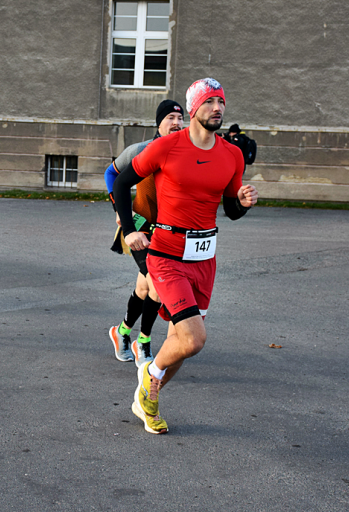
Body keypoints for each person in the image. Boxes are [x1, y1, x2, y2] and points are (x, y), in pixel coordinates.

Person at [113, 78, 258, 434]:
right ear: (194, 109)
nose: (217, 109)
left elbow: (229, 209)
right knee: (195, 339)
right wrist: (130, 228)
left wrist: (242, 203)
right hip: (166, 253)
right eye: (210, 102)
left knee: (182, 342)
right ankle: (149, 379)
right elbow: (119, 181)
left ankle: (146, 398)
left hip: (204, 258)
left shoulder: (232, 154)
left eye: (221, 102)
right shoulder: (167, 147)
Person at [104, 100, 185, 367]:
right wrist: (119, 208)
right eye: (170, 117)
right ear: (159, 123)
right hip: (139, 226)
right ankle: (144, 342)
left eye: (180, 117)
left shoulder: (185, 152)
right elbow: (111, 173)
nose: (176, 122)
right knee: (157, 284)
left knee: (144, 286)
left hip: (166, 231)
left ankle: (121, 332)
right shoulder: (142, 150)